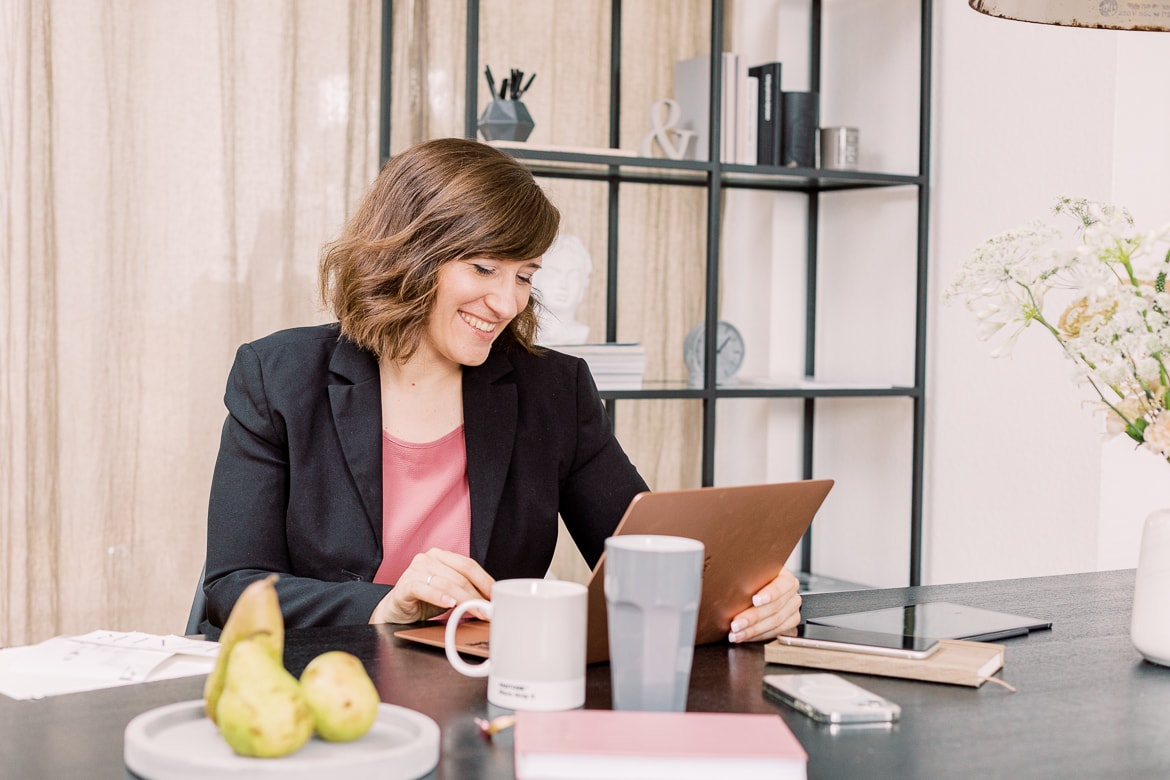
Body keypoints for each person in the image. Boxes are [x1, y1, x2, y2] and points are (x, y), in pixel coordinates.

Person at [202, 137, 801, 644]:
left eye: (525, 276)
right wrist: (385, 605)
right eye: (485, 269)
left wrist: (745, 596)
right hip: (321, 685)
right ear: (412, 255)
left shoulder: (553, 390)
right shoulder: (278, 375)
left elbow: (639, 559)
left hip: (485, 691)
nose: (508, 302)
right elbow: (234, 587)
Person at [534, 233, 591, 346]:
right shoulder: (522, 333)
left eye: (572, 275)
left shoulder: (582, 333)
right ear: (534, 278)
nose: (563, 284)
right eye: (552, 273)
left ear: (584, 283)